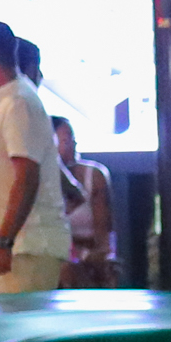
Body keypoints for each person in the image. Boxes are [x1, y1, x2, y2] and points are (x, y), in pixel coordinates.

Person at [0, 20, 70, 295]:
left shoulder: (19, 102)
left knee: (19, 333)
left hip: (26, 247)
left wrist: (4, 243)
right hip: (0, 243)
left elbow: (26, 177)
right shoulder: (4, 101)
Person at [55, 117, 116, 288]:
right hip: (59, 257)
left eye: (73, 139)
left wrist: (97, 257)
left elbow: (104, 233)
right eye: (65, 140)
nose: (73, 145)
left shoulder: (94, 175)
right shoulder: (40, 182)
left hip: (91, 257)